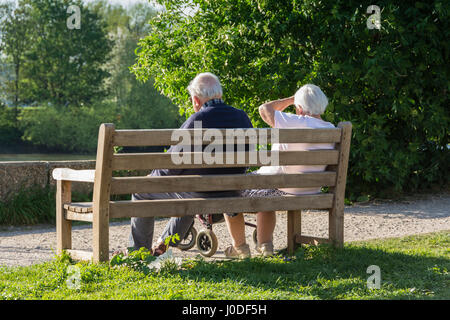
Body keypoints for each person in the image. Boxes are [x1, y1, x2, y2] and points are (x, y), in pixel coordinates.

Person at [123, 72, 253, 256]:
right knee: (188, 189)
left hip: (199, 191)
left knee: (141, 191)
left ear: (196, 100)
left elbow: (172, 164)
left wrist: (152, 177)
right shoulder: (241, 117)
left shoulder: (196, 121)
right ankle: (164, 242)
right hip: (232, 189)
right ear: (220, 95)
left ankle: (139, 254)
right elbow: (249, 155)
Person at [223, 84, 335, 258]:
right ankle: (265, 246)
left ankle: (240, 248)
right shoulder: (331, 129)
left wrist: (291, 99)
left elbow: (264, 109)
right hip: (311, 189)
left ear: (299, 107)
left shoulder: (295, 121)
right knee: (266, 189)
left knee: (228, 191)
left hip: (282, 187)